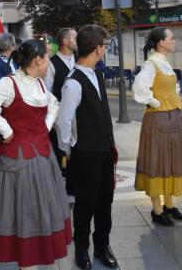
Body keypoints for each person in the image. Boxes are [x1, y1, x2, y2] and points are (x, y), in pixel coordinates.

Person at [0, 39, 71, 270]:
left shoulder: (39, 84)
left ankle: (34, 258)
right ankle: (27, 262)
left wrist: (42, 128)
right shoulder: (9, 83)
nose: (49, 63)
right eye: (47, 57)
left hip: (42, 159)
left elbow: (53, 105)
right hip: (18, 161)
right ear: (38, 60)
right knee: (21, 213)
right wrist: (5, 128)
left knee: (40, 212)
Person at [56, 24, 118, 270]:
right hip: (86, 153)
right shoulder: (73, 82)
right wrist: (69, 149)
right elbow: (64, 121)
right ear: (97, 48)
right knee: (85, 204)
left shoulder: (97, 73)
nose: (105, 48)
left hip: (104, 150)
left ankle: (102, 245)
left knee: (105, 201)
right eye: (104, 44)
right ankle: (82, 249)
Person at [132, 27, 182, 227]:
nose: (174, 41)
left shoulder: (163, 62)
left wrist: (169, 95)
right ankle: (157, 209)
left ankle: (169, 204)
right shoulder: (151, 64)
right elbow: (140, 89)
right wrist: (156, 102)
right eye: (171, 38)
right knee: (158, 159)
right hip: (158, 118)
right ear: (161, 42)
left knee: (172, 158)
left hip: (173, 116)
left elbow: (168, 87)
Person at [45, 28, 77, 172]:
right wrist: (51, 116)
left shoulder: (78, 59)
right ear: (65, 41)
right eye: (75, 38)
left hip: (78, 114)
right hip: (60, 115)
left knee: (76, 148)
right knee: (60, 149)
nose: (78, 41)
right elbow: (47, 91)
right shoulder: (52, 63)